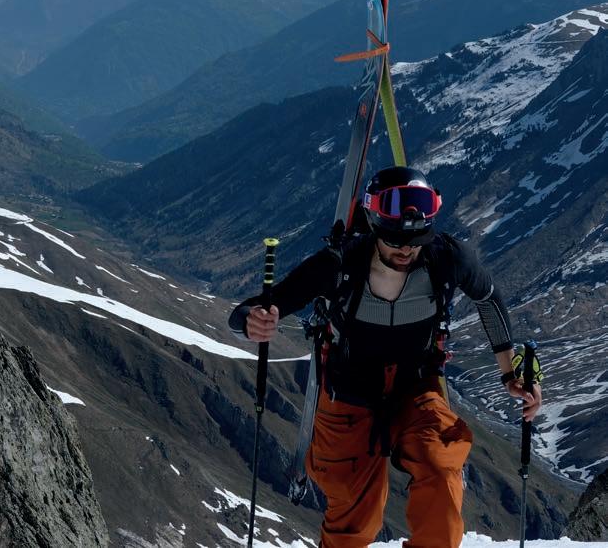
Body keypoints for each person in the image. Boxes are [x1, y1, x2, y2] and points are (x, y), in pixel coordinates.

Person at [229, 165, 542, 548]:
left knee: (441, 470)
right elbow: (257, 307)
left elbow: (488, 299)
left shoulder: (446, 258)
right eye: (395, 241)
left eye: (415, 241)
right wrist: (252, 321)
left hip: (416, 386)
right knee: (354, 516)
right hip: (349, 392)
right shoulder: (340, 265)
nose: (406, 250)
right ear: (375, 226)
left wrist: (510, 374)